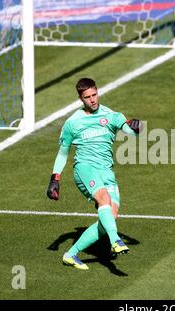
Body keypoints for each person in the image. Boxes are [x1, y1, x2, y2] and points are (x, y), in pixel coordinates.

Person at [47, 78, 141, 270]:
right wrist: (54, 179)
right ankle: (116, 241)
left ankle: (71, 254)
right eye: (87, 97)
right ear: (81, 98)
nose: (92, 100)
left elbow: (130, 132)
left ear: (98, 92)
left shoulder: (111, 115)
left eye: (94, 95)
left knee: (110, 217)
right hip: (84, 168)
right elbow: (63, 152)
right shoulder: (73, 123)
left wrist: (136, 127)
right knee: (104, 200)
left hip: (106, 171)